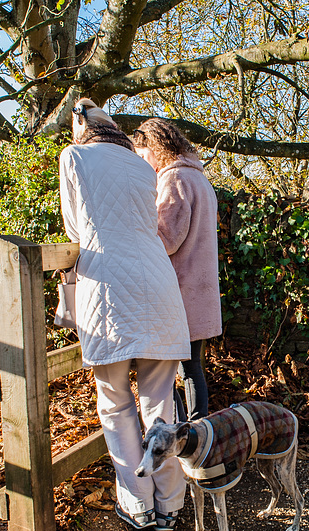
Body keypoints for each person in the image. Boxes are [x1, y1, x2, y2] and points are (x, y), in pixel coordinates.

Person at [59, 99, 190, 531]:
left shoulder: (74, 156)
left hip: (109, 287)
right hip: (159, 284)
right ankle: (170, 506)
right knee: (160, 402)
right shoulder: (142, 166)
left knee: (115, 403)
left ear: (81, 129)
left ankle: (139, 505)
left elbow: (75, 231)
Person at [132, 119, 222, 420]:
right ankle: (198, 434)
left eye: (144, 156)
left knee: (164, 370)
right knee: (191, 367)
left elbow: (168, 238)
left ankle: (180, 434)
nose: (144, 164)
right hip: (201, 288)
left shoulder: (174, 179)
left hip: (179, 291)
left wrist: (140, 225)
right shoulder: (199, 178)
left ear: (156, 149)